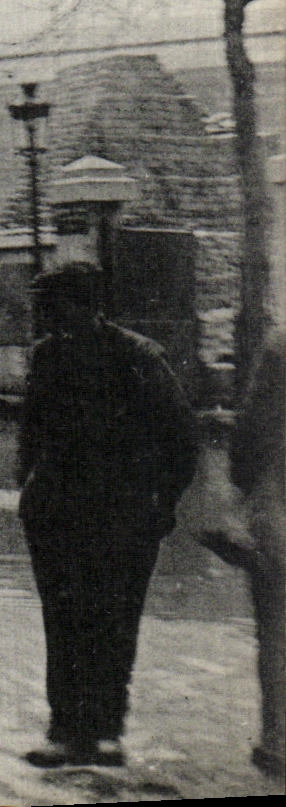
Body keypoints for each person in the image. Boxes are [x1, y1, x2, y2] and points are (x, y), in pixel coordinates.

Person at [16, 261, 200, 768]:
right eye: (43, 308)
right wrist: (27, 491)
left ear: (86, 305)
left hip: (123, 516)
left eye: (53, 306)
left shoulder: (139, 358)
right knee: (64, 622)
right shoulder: (46, 357)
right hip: (56, 514)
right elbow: (30, 433)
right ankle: (64, 730)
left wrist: (162, 506)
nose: (46, 318)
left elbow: (183, 440)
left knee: (115, 622)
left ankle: (106, 731)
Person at [225, 328, 285, 778]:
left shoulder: (282, 342)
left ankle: (277, 742)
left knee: (278, 634)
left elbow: (247, 436)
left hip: (279, 506)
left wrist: (247, 494)